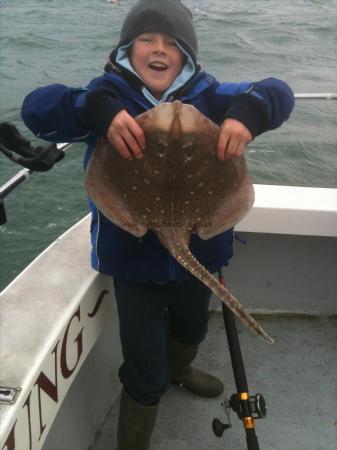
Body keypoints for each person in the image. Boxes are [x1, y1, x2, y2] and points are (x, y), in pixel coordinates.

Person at [21, 1, 295, 448]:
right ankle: (142, 415)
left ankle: (181, 368)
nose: (158, 49)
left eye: (172, 43)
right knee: (144, 365)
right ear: (127, 50)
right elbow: (37, 109)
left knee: (192, 326)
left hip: (202, 247)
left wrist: (251, 112)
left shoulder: (213, 96)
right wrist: (94, 109)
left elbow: (278, 91)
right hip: (134, 267)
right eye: (146, 39)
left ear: (187, 56)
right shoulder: (106, 96)